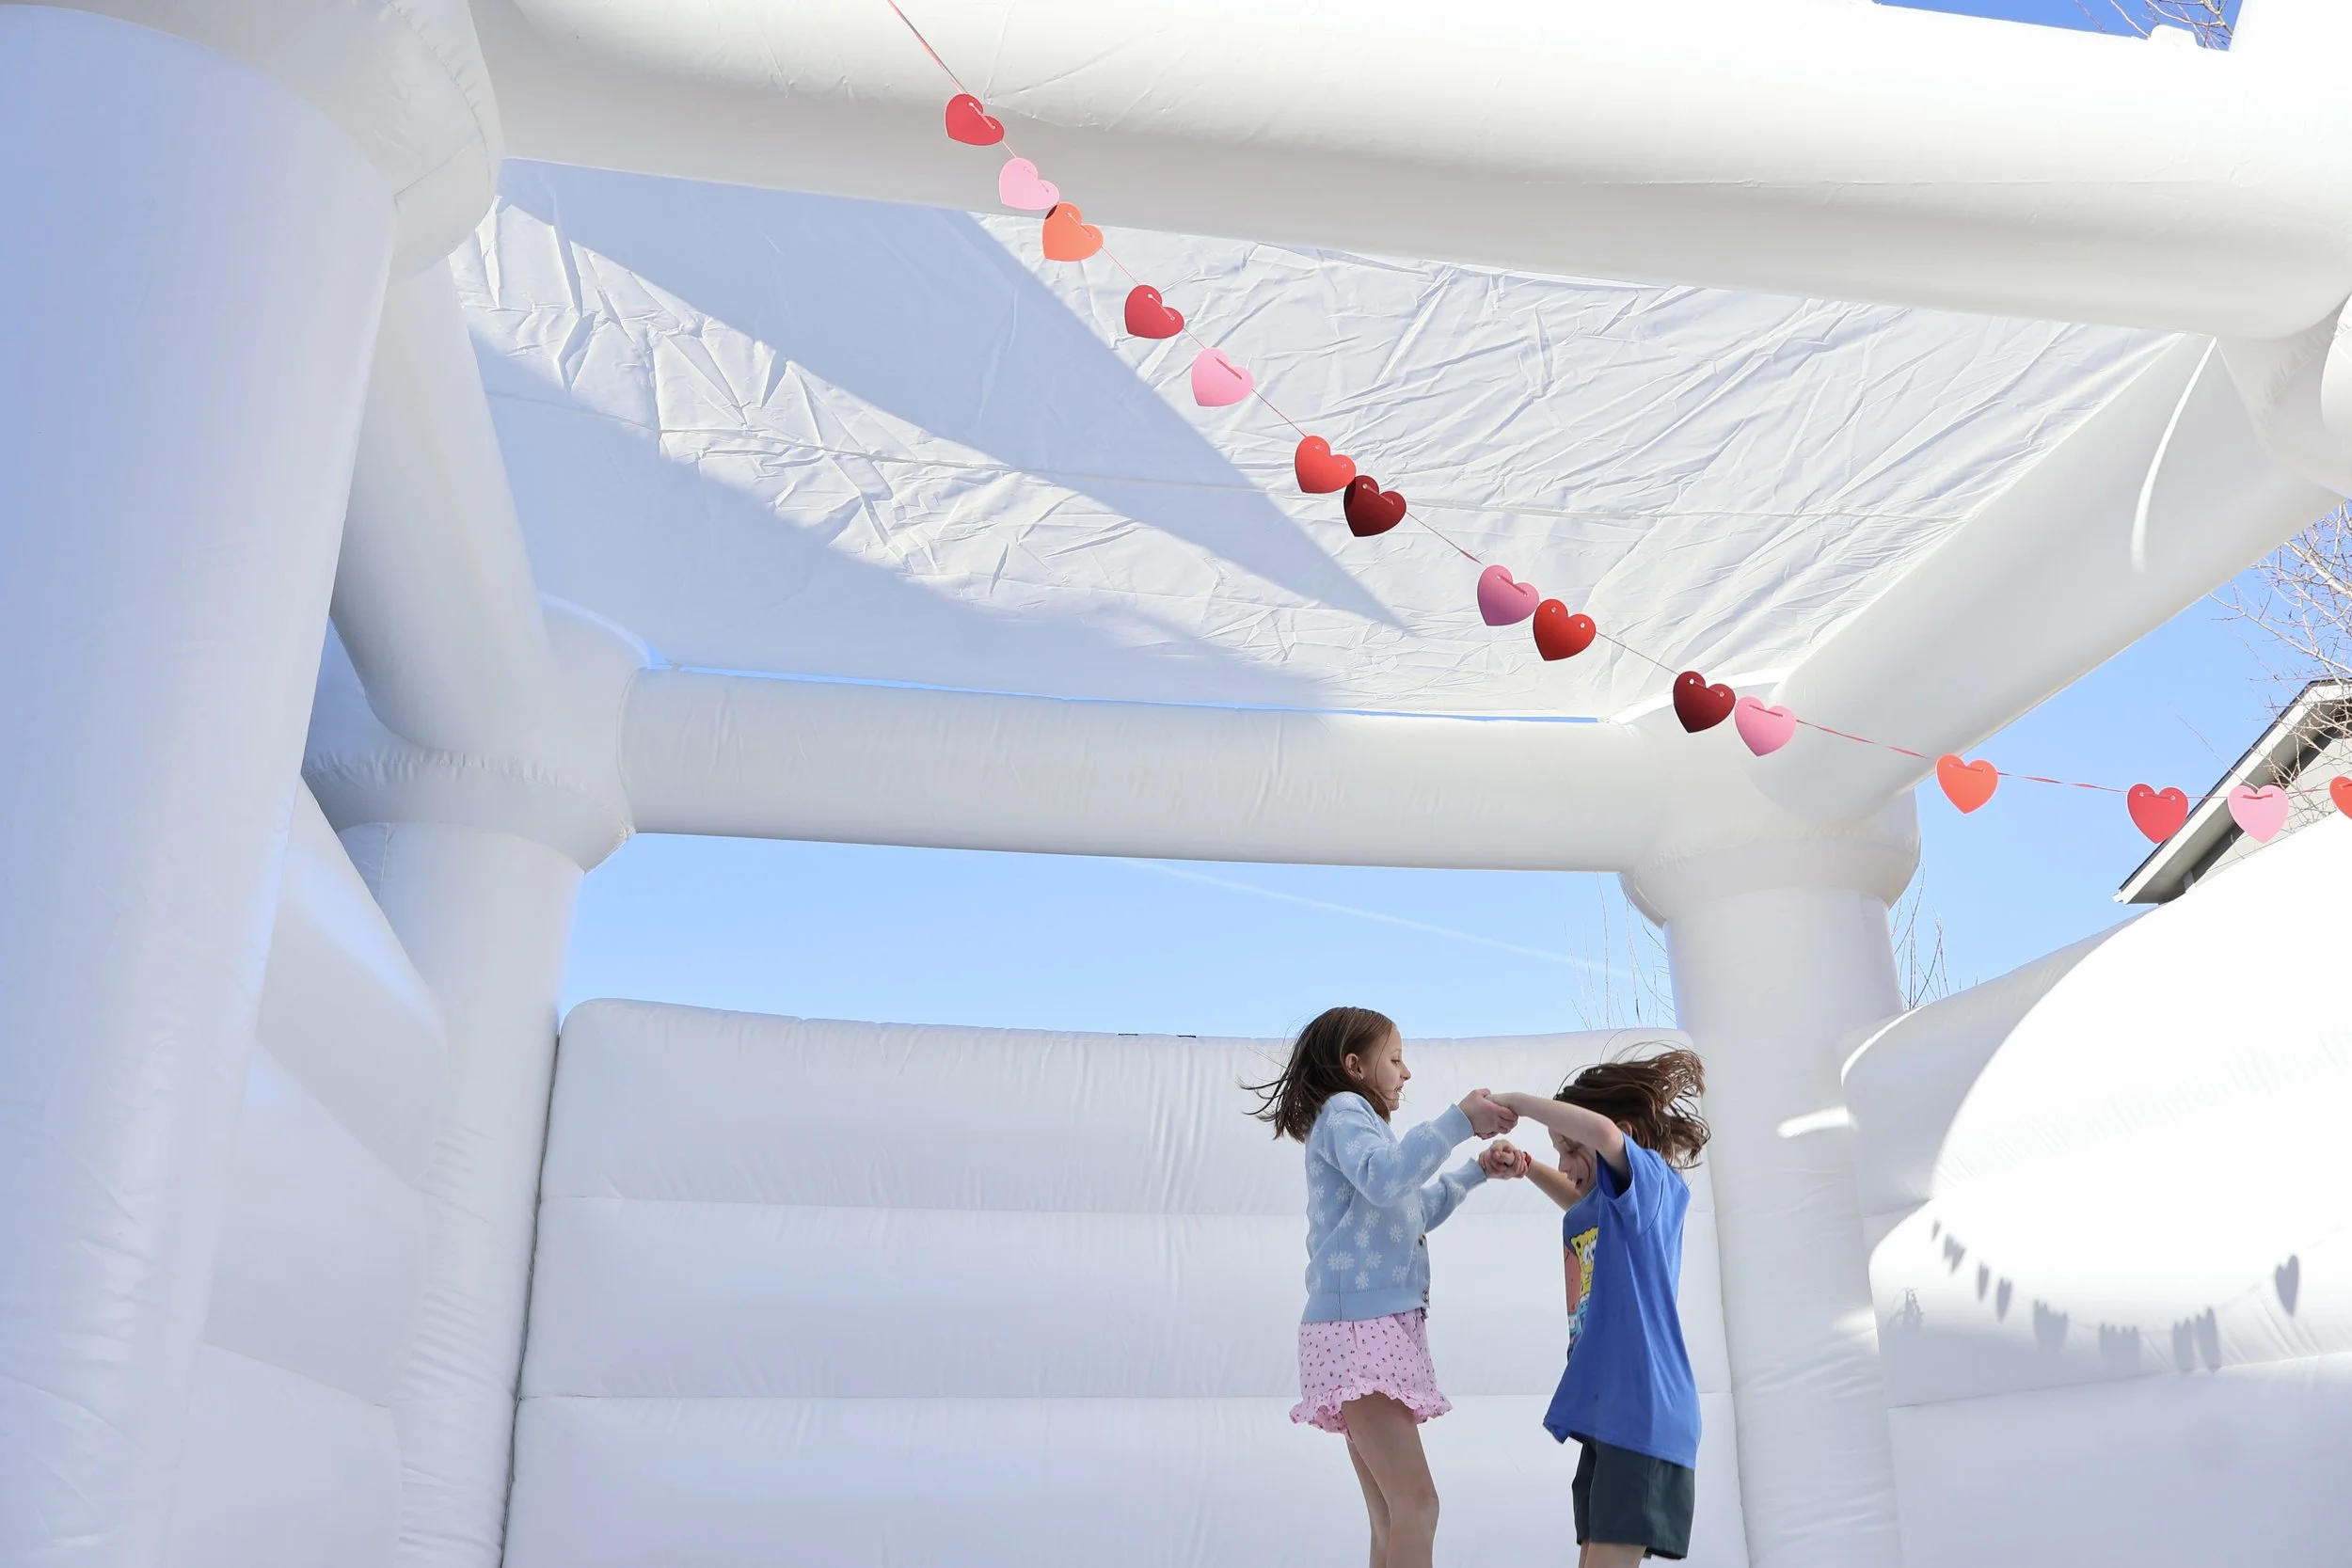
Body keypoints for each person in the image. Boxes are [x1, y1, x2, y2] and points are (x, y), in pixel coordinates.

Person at [1247, 1006, 1529, 1568]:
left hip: (1366, 1327)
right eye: (1395, 1059)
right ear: (1354, 1066)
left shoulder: (1365, 1132)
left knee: (1392, 1515)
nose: (1406, 1073)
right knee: (1417, 1506)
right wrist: (1459, 1121)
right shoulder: (1346, 1112)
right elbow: (1386, 1179)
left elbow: (1409, 1209)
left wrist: (1475, 1171)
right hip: (1360, 1330)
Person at [1494, 1049, 1710, 1566]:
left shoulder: (1653, 1182)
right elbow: (1579, 1203)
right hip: (1609, 1416)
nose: (1567, 1164)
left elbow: (1606, 1140)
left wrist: (1519, 1103)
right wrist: (1528, 1168)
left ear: (1626, 1135)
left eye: (1572, 1148)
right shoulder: (1609, 1210)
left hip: (1644, 1410)